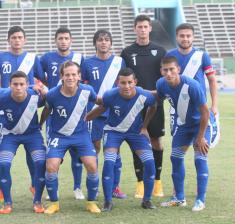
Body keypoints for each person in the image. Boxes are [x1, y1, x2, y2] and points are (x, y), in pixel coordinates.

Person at [86, 68, 157, 211]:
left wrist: (144, 127)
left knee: (149, 162)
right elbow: (101, 108)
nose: (127, 86)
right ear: (118, 83)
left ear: (135, 82)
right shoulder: (110, 95)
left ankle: (147, 200)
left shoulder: (145, 95)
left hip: (136, 133)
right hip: (113, 131)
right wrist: (85, 119)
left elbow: (154, 106)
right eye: (123, 83)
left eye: (130, 82)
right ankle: (108, 201)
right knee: (109, 161)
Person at [0, 26, 46, 196]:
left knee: (32, 152)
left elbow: (43, 80)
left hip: (28, 108)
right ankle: (1, 186)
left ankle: (34, 183)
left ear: (25, 39)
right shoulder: (0, 58)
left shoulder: (32, 58)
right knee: (4, 152)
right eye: (13, 37)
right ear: (8, 40)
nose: (17, 40)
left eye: (20, 37)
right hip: (7, 109)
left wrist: (39, 87)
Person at [157, 56, 219, 212]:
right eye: (166, 70)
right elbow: (157, 98)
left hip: (202, 125)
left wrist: (200, 138)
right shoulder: (161, 84)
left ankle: (200, 200)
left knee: (200, 158)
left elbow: (205, 112)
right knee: (175, 158)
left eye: (172, 69)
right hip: (184, 125)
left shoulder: (192, 85)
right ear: (161, 71)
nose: (169, 73)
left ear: (178, 69)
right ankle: (179, 198)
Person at [40, 61, 101, 214]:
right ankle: (54, 203)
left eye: (74, 74)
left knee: (92, 166)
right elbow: (47, 110)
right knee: (51, 166)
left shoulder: (87, 91)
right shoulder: (52, 94)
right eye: (67, 74)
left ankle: (91, 202)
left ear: (79, 76)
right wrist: (39, 124)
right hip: (58, 136)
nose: (70, 77)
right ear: (61, 76)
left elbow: (102, 103)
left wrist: (91, 116)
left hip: (81, 135)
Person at [121, 15, 167, 198]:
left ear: (150, 29)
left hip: (155, 103)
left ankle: (157, 181)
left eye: (145, 26)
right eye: (139, 26)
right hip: (134, 106)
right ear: (134, 29)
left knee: (156, 141)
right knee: (136, 142)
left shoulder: (160, 51)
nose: (142, 29)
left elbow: (164, 76)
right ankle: (140, 183)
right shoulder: (126, 52)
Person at [40, 27, 85, 200]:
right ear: (55, 40)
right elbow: (39, 77)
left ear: (71, 40)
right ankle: (54, 188)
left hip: (75, 112)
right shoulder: (46, 58)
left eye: (66, 38)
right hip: (54, 112)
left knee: (76, 153)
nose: (63, 41)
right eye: (60, 38)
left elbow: (84, 79)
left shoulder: (80, 58)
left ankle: (77, 188)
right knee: (54, 154)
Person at [82, 29, 127, 199]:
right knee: (93, 149)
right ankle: (94, 186)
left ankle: (115, 187)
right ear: (95, 43)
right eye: (100, 40)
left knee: (114, 150)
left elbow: (123, 86)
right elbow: (84, 89)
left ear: (111, 43)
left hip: (114, 113)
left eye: (107, 40)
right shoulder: (87, 63)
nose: (103, 42)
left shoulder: (119, 62)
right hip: (94, 112)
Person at [0, 71, 47, 214]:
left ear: (27, 85)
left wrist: (43, 90)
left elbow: (51, 100)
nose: (18, 87)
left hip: (32, 135)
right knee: (4, 163)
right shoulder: (1, 98)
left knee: (41, 163)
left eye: (21, 84)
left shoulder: (36, 96)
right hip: (10, 135)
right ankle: (7, 203)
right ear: (9, 85)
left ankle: (37, 201)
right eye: (15, 84)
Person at [166, 23, 218, 117]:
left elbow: (212, 80)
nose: (185, 39)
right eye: (182, 36)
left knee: (202, 132)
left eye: (188, 36)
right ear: (177, 37)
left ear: (193, 37)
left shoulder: (202, 56)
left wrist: (214, 105)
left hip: (199, 106)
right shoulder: (169, 55)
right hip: (178, 107)